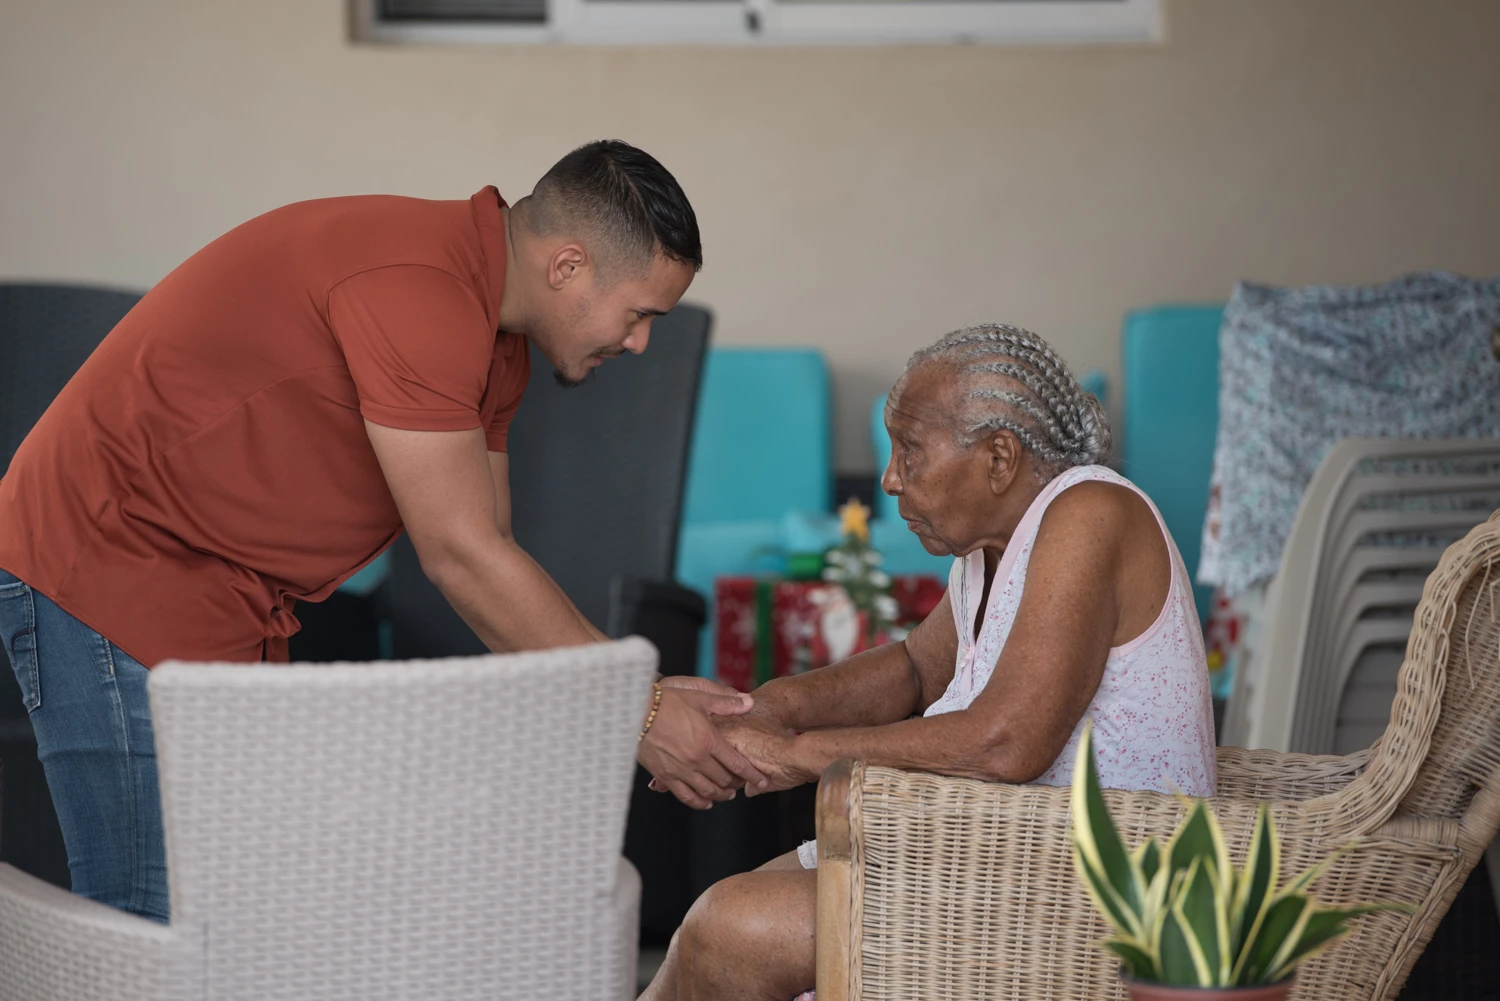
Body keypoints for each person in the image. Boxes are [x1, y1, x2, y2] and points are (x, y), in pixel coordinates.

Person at [0, 140, 764, 923]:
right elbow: (460, 556)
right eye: (640, 315)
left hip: (225, 594)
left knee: (238, 911)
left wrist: (644, 700)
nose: (639, 343)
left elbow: (493, 558)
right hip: (108, 557)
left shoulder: (499, 347)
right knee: (154, 917)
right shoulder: (420, 292)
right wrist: (635, 705)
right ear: (567, 266)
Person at [641, 324, 1217, 1001]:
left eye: (910, 451)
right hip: (1005, 860)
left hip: (1099, 894)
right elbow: (915, 668)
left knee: (727, 930)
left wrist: (799, 755)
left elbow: (1007, 739)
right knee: (704, 929)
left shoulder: (1091, 510)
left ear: (999, 457)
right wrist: (768, 707)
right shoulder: (989, 552)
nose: (888, 479)